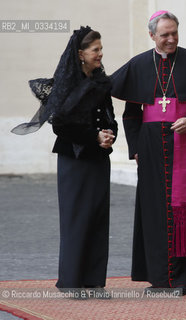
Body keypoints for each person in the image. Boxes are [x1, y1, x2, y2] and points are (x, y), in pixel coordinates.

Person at [110, 10, 186, 294]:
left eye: (174, 33)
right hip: (152, 148)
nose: (171, 39)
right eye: (164, 34)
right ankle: (160, 278)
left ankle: (185, 278)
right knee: (155, 212)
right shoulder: (140, 64)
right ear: (152, 35)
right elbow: (131, 114)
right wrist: (136, 148)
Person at [12, 26, 117, 297]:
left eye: (101, 49)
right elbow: (60, 125)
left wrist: (108, 134)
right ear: (81, 53)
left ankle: (94, 281)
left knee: (97, 217)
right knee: (76, 218)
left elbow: (109, 116)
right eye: (96, 50)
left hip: (98, 158)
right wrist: (95, 136)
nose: (100, 54)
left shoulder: (101, 82)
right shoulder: (66, 82)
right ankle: (71, 281)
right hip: (74, 159)